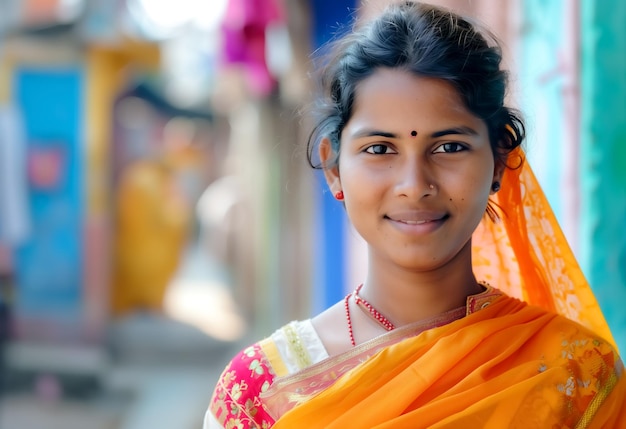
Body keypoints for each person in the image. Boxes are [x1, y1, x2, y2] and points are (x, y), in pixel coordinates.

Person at [204, 2, 626, 428]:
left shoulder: (577, 374)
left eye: (449, 147)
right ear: (334, 168)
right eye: (379, 149)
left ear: (499, 161)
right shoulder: (263, 390)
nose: (414, 183)